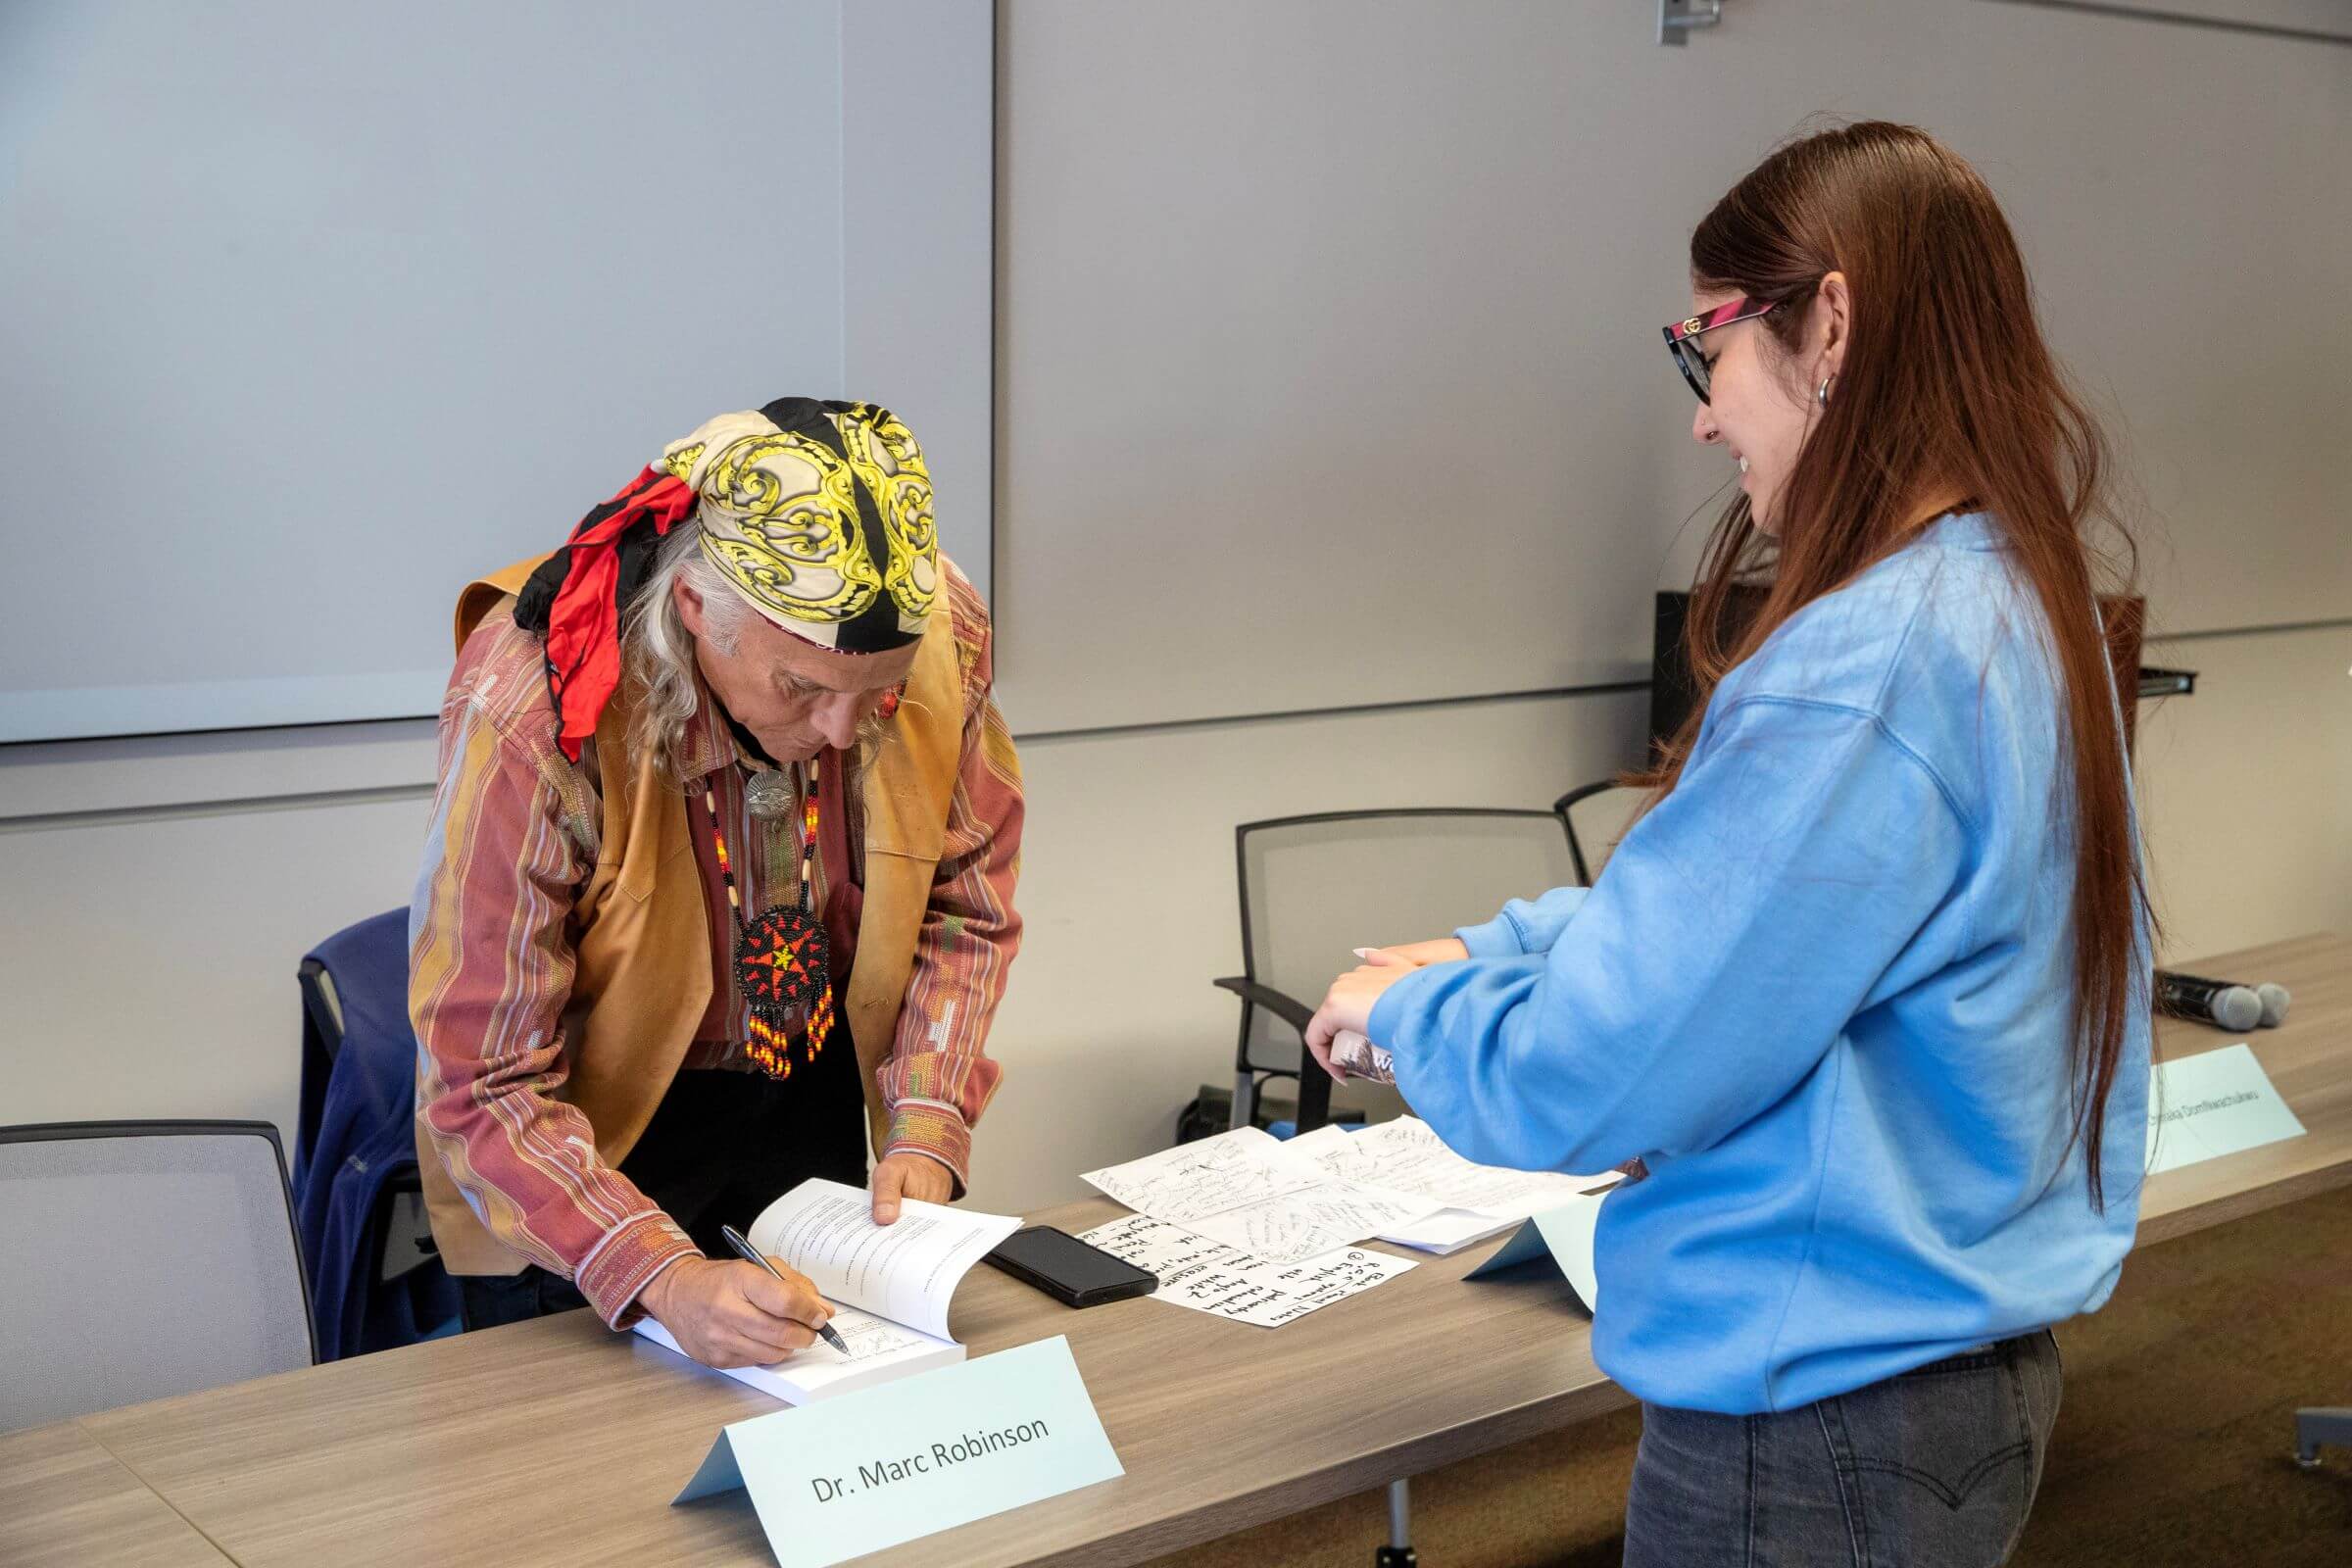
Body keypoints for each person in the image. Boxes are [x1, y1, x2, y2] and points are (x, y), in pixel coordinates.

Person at [1305, 122, 2151, 1566]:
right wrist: (1498, 946)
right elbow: (1762, 932)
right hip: (1943, 1391)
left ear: (1830, 322)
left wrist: (1412, 1010)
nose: (1705, 416)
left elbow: (1602, 1067)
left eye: (1713, 348)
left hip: (1815, 1433)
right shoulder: (2013, 604)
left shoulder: (1863, 669)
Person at [411, 397, 1023, 1371]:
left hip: (804, 1095)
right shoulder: (539, 703)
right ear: (696, 607)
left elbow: (965, 902)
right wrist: (662, 1273)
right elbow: (484, 1078)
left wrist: (924, 1119)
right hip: (578, 1158)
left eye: (880, 692)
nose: (842, 731)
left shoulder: (942, 634)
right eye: (803, 689)